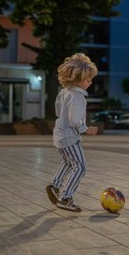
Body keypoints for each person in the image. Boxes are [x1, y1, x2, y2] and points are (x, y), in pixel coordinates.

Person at [46, 53, 98, 212]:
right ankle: (66, 197)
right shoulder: (78, 97)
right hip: (69, 136)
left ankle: (55, 185)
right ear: (77, 80)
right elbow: (75, 120)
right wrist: (86, 129)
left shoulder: (65, 92)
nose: (90, 83)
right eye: (87, 80)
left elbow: (57, 110)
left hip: (59, 134)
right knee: (80, 167)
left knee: (69, 162)